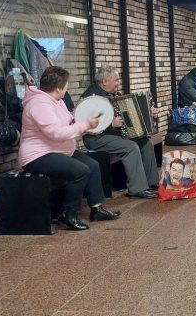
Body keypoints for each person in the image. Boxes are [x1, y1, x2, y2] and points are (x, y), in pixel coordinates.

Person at [19, 66, 121, 231]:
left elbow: (69, 121)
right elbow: (56, 133)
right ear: (58, 87)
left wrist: (84, 124)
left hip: (57, 150)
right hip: (38, 155)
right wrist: (85, 125)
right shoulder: (39, 104)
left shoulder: (57, 101)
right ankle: (69, 215)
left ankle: (97, 209)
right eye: (66, 85)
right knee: (80, 171)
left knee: (93, 165)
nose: (67, 88)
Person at [81, 66, 158, 199]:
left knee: (146, 142)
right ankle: (137, 189)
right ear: (105, 81)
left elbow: (129, 115)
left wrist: (149, 113)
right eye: (116, 80)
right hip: (96, 139)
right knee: (131, 147)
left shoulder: (113, 95)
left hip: (112, 135)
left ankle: (152, 182)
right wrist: (111, 124)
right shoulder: (90, 98)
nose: (119, 83)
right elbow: (87, 125)